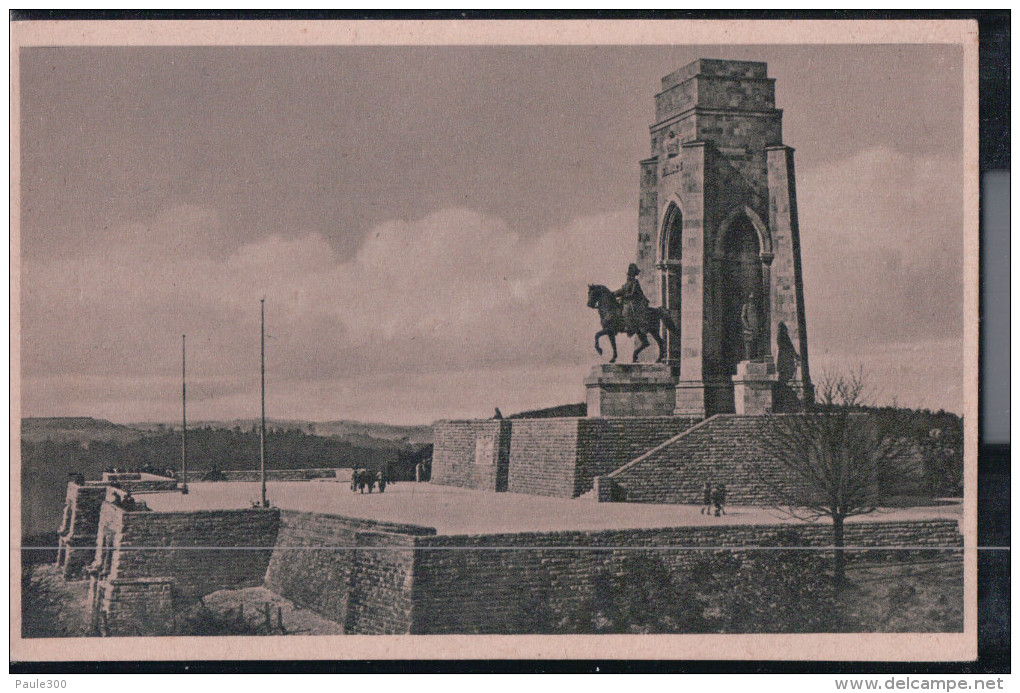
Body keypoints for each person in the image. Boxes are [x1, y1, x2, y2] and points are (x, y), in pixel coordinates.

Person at [614, 263, 650, 335]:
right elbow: (622, 290)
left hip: (635, 301)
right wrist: (612, 294)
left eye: (630, 274)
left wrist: (624, 296)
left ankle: (629, 326)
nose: (629, 275)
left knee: (627, 309)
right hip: (628, 300)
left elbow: (633, 294)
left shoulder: (635, 282)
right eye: (629, 274)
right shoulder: (627, 283)